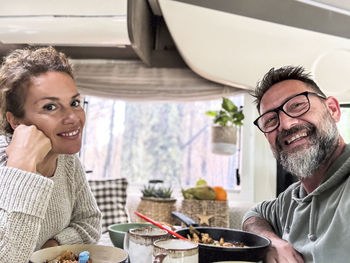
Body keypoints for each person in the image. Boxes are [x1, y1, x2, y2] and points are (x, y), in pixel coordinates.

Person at [0, 47, 102, 262]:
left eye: (74, 103)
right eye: (50, 107)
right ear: (15, 121)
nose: (73, 117)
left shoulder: (67, 161)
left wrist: (52, 246)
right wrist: (21, 166)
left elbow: (90, 222)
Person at [242, 66, 350, 263]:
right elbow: (254, 215)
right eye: (270, 120)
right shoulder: (290, 200)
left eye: (297, 105)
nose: (286, 124)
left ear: (333, 110)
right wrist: (270, 240)